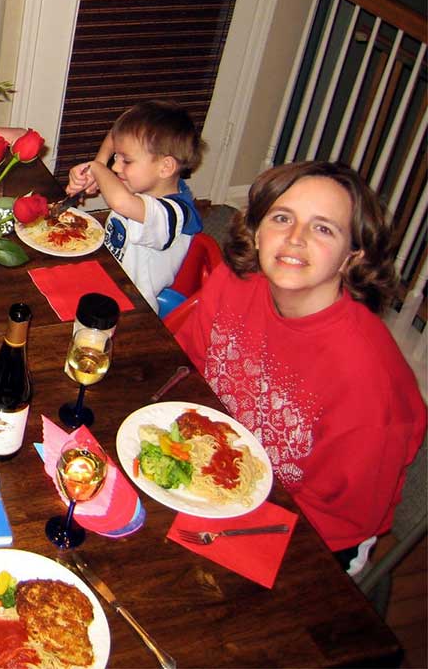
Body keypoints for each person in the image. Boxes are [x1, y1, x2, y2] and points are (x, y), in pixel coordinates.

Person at [173, 161, 425, 572]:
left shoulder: (367, 379)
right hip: (218, 472)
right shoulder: (234, 282)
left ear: (351, 257)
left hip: (315, 534)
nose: (295, 239)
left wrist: (213, 511)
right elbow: (188, 371)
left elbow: (340, 517)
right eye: (282, 218)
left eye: (323, 228)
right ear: (256, 231)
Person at [66, 100, 206, 311]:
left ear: (165, 167)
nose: (116, 166)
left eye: (126, 161)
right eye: (116, 157)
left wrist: (96, 169)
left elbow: (121, 202)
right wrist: (101, 161)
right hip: (106, 278)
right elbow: (116, 134)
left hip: (131, 306)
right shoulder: (146, 186)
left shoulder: (174, 213)